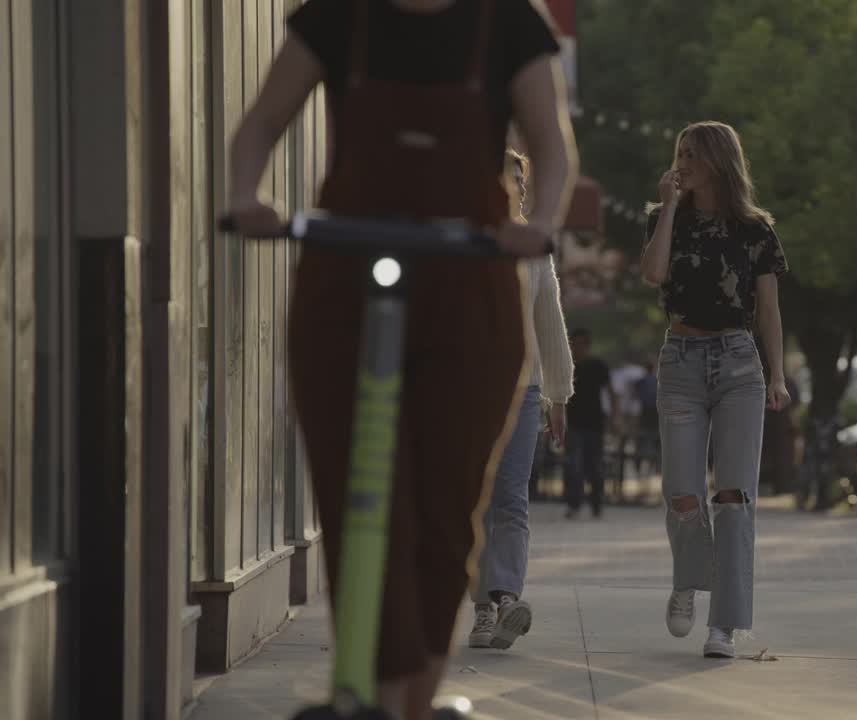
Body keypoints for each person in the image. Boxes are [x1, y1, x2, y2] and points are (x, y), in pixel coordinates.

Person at [225, 1, 577, 717]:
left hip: (469, 288)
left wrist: (537, 224)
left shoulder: (508, 22)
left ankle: (408, 698)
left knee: (446, 510)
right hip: (344, 282)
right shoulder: (337, 17)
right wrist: (244, 196)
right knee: (358, 499)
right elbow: (263, 120)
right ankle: (378, 694)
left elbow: (551, 143)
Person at [639, 121, 790, 659]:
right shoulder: (664, 219)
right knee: (682, 491)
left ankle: (724, 624)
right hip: (680, 361)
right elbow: (653, 275)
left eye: (691, 155)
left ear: (717, 161)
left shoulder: (755, 230)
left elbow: (768, 309)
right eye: (677, 152)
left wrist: (777, 374)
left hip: (737, 366)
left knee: (733, 496)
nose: (681, 163)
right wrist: (671, 206)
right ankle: (688, 578)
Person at [468, 148, 574, 652]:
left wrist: (560, 394)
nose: (516, 190)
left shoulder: (535, 249)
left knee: (512, 499)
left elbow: (549, 322)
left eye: (521, 181)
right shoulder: (464, 242)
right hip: (472, 390)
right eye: (506, 179)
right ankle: (482, 610)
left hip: (525, 391)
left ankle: (507, 597)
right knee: (477, 503)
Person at [563, 328, 615, 518]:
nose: (577, 348)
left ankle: (596, 503)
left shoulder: (597, 365)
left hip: (595, 423)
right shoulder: (567, 366)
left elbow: (611, 392)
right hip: (573, 424)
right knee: (574, 466)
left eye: (580, 344)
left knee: (595, 467)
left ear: (587, 345)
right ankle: (574, 504)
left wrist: (614, 418)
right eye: (574, 344)